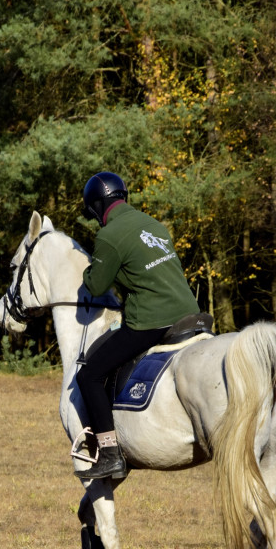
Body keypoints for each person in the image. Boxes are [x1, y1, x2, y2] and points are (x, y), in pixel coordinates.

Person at [75, 171, 201, 480]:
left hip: (151, 320)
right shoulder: (153, 223)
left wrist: (87, 271)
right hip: (189, 312)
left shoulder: (109, 235)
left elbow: (96, 284)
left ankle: (109, 453)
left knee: (90, 375)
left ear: (96, 207)